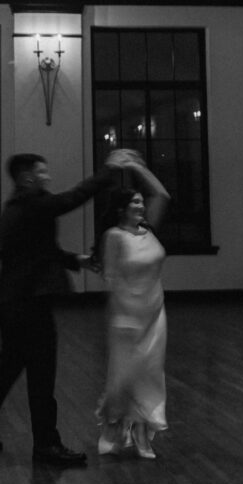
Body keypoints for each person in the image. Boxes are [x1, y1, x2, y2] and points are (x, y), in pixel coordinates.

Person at [0, 148, 139, 466]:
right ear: (27, 177)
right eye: (42, 172)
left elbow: (40, 250)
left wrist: (75, 260)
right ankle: (46, 446)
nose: (48, 176)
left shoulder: (20, 208)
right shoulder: (31, 204)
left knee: (9, 367)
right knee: (41, 375)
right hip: (28, 304)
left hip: (10, 301)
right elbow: (71, 199)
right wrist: (109, 171)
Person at [93, 151, 171, 460]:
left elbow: (162, 194)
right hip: (127, 316)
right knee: (123, 376)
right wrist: (120, 315)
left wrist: (138, 167)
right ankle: (113, 427)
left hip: (155, 314)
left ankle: (141, 431)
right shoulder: (114, 236)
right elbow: (111, 280)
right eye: (135, 202)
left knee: (151, 374)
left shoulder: (148, 231)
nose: (141, 205)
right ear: (122, 208)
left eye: (142, 201)